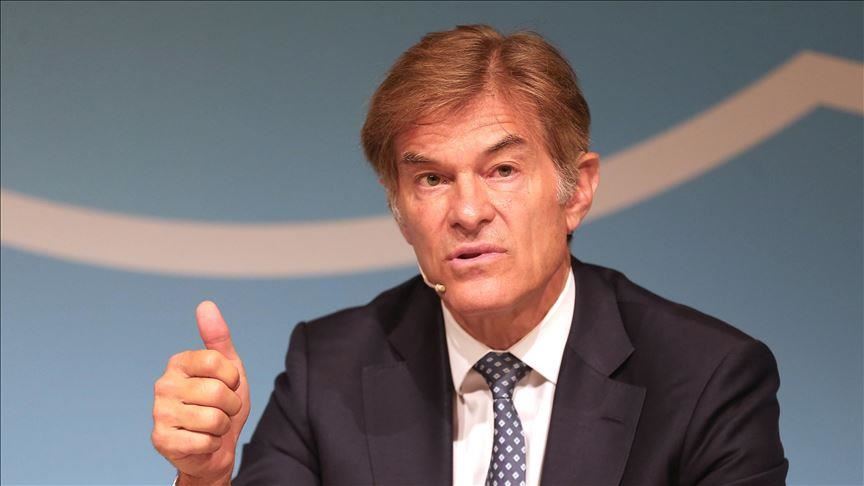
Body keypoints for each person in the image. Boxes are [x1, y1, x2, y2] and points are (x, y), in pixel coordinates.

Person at [151, 25, 787, 486]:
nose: (468, 211)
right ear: (399, 211)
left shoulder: (707, 379)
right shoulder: (331, 370)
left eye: (502, 169)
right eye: (431, 179)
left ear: (577, 191)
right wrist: (206, 478)